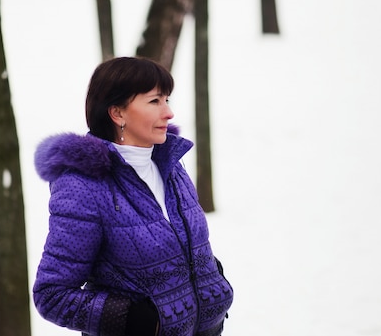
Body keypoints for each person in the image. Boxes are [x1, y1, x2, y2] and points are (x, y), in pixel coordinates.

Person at [33, 56, 233, 336]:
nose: (169, 113)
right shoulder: (84, 186)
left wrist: (210, 278)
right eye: (154, 102)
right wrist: (133, 319)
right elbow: (52, 296)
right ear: (118, 114)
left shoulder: (171, 165)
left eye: (167, 100)